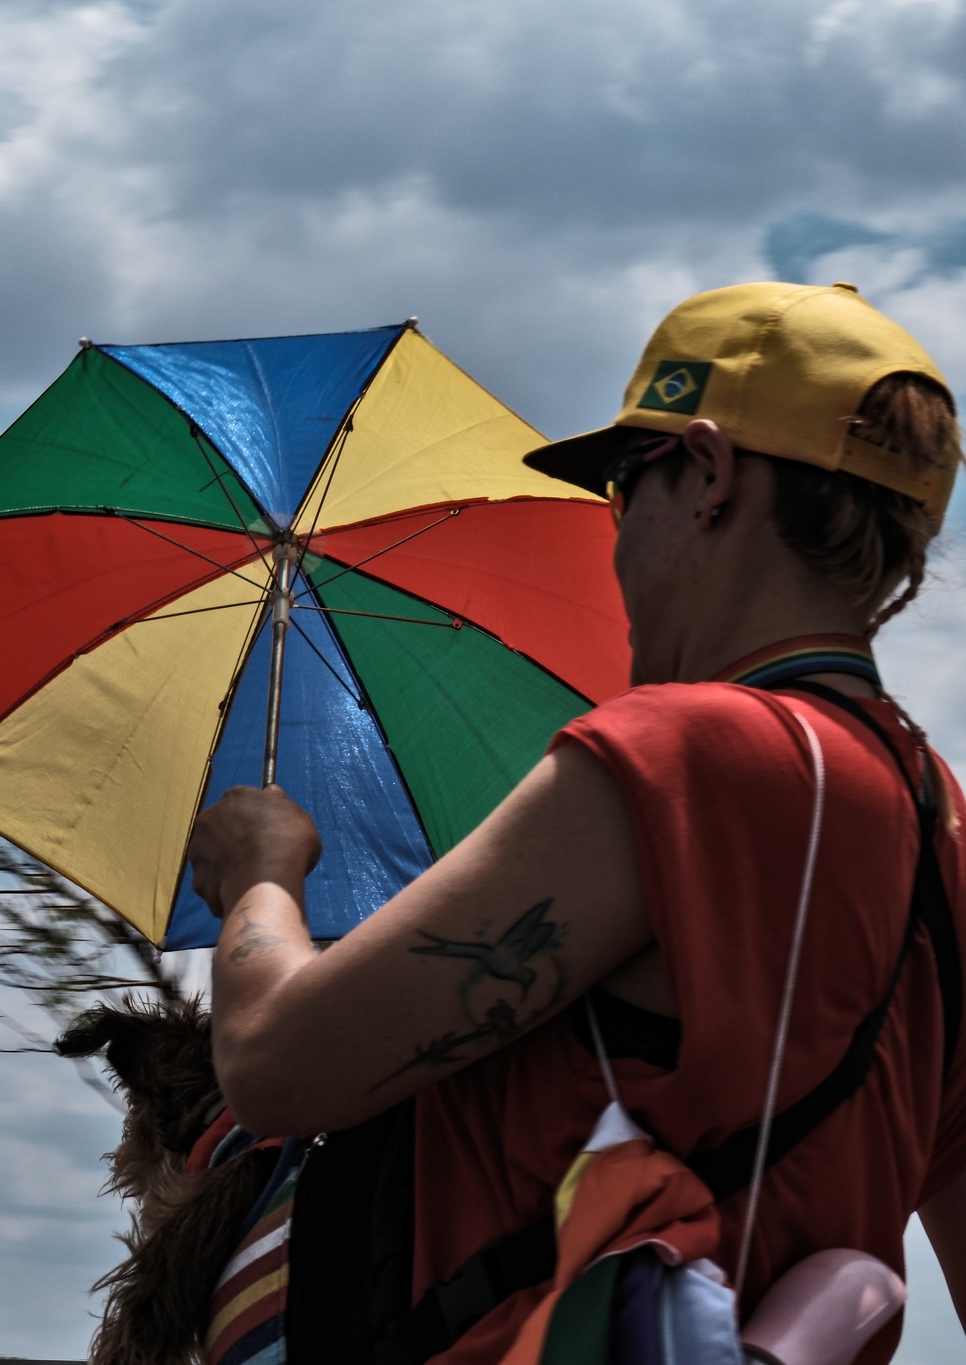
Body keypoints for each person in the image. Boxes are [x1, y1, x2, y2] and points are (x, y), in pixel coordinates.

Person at [186, 280, 966, 1365]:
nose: (616, 535)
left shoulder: (680, 753)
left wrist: (261, 875)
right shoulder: (939, 827)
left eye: (619, 485)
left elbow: (276, 1063)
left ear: (708, 473)